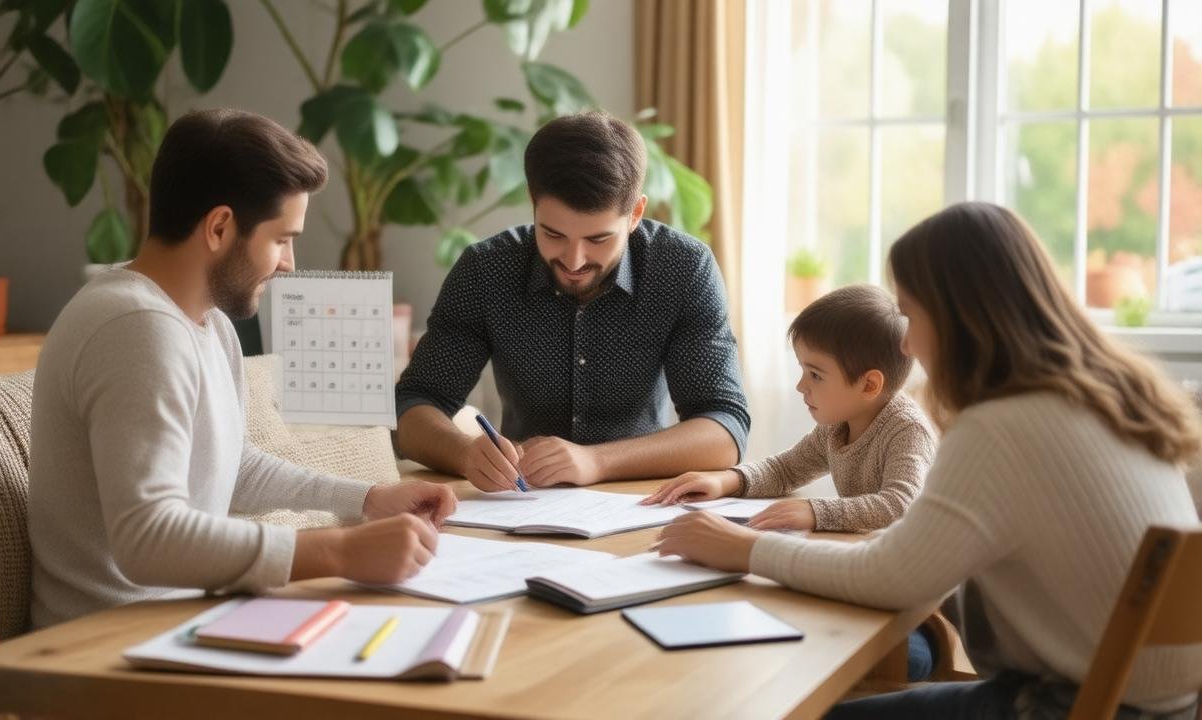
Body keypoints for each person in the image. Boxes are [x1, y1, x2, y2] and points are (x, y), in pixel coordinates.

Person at [657, 202, 1202, 718]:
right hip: (1156, 703)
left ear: (958, 318)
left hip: (1075, 706)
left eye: (910, 314)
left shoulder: (1005, 425)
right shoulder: (1104, 397)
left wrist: (746, 548)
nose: (909, 345)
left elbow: (897, 579)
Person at [29, 109, 456, 628]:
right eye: (282, 238)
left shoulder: (205, 323)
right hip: (106, 650)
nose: (289, 263)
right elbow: (146, 538)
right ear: (220, 227)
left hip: (177, 626)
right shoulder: (135, 328)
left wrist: (367, 499)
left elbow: (228, 465)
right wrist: (339, 551)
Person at [394, 111, 750, 492]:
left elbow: (725, 429)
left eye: (598, 239)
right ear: (533, 201)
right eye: (553, 234)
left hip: (640, 501)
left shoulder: (683, 268)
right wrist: (466, 453)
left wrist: (596, 461)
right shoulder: (487, 269)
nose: (574, 260)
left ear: (636, 214)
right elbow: (413, 407)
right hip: (521, 502)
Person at [643, 283, 936, 534]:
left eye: (816, 375)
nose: (801, 386)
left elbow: (900, 504)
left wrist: (815, 512)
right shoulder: (836, 426)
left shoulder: (907, 430)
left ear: (869, 385)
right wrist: (725, 480)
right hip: (868, 553)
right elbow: (786, 470)